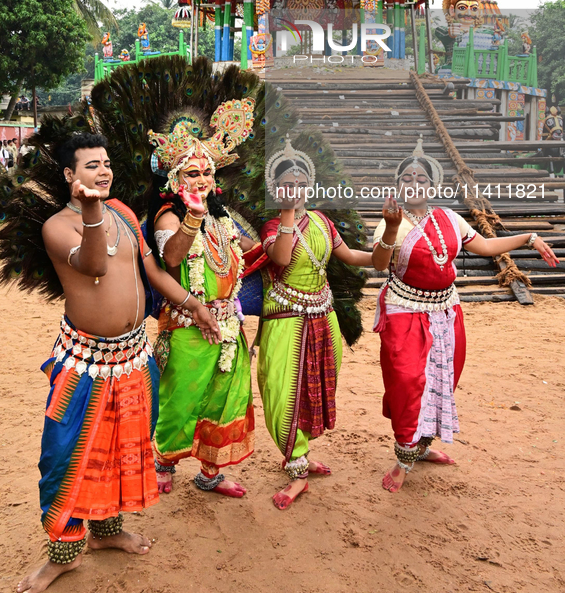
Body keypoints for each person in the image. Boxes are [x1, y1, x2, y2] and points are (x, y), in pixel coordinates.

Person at [7, 131, 220, 593]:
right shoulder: (57, 225)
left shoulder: (122, 212)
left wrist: (193, 305)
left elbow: (153, 270)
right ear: (69, 175)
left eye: (106, 163)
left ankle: (106, 532)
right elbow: (93, 266)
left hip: (133, 359)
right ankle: (62, 556)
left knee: (126, 450)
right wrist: (88, 211)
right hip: (84, 366)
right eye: (91, 166)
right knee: (66, 458)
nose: (103, 171)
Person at [373, 136, 558, 494]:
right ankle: (401, 457)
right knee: (408, 382)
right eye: (407, 178)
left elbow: (485, 246)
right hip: (404, 311)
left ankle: (421, 447)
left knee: (444, 377)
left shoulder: (448, 218)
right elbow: (381, 264)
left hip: (446, 310)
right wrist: (392, 228)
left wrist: (529, 237)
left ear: (432, 184)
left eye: (421, 178)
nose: (414, 184)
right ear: (398, 184)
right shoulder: (390, 222)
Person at [258, 135, 398, 509]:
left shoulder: (322, 221)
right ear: (276, 187)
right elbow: (283, 260)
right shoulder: (272, 225)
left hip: (324, 318)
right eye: (288, 182)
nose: (297, 188)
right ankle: (297, 469)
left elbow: (360, 258)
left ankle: (300, 454)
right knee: (282, 389)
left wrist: (390, 230)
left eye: (302, 183)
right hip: (286, 319)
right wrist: (287, 212)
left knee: (316, 385)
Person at [147, 99, 257, 499]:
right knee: (182, 400)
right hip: (188, 327)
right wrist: (191, 217)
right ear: (176, 179)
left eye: (208, 172)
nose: (202, 179)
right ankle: (164, 462)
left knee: (224, 399)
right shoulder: (168, 216)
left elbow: (249, 251)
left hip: (229, 325)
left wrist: (282, 232)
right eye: (193, 173)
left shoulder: (220, 217)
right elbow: (172, 256)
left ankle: (209, 473)